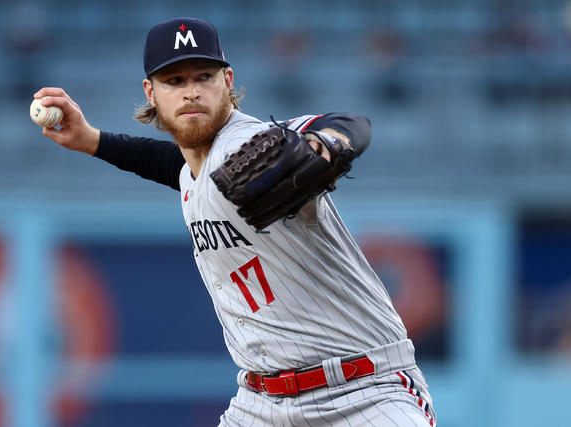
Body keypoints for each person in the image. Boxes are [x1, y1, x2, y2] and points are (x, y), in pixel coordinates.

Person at [36, 17, 436, 427]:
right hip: (260, 404)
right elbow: (172, 164)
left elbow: (351, 124)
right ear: (150, 93)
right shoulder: (197, 168)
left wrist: (327, 144)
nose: (191, 91)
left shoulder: (252, 142)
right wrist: (91, 140)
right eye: (174, 81)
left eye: (203, 76)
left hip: (362, 392)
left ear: (227, 80)